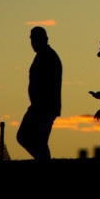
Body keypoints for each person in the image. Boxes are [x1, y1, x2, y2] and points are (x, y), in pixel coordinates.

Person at [17, 27, 62, 160]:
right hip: (41, 106)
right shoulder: (44, 55)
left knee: (27, 137)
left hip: (43, 107)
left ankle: (46, 167)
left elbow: (48, 83)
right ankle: (45, 166)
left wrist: (42, 105)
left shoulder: (48, 56)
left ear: (44, 39)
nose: (33, 43)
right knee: (35, 140)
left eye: (35, 39)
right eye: (32, 39)